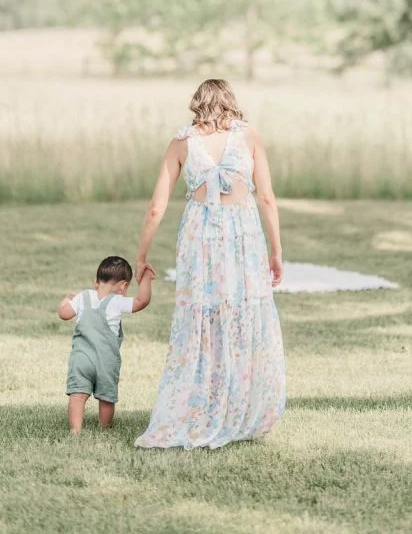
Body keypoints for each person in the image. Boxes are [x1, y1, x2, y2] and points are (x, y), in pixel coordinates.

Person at [135, 78, 285, 449]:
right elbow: (266, 198)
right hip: (243, 236)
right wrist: (276, 249)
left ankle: (201, 403)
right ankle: (239, 405)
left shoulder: (181, 143)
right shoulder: (249, 136)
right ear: (229, 103)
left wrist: (142, 255)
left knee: (202, 318)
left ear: (197, 104)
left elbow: (156, 207)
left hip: (200, 238)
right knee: (241, 313)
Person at [58, 255, 155, 434]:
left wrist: (65, 301)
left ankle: (75, 430)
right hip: (106, 362)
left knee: (77, 395)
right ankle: (104, 429)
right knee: (106, 398)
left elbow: (64, 314)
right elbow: (142, 301)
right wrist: (146, 278)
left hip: (81, 359)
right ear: (124, 286)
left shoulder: (83, 296)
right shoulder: (117, 301)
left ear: (96, 282)